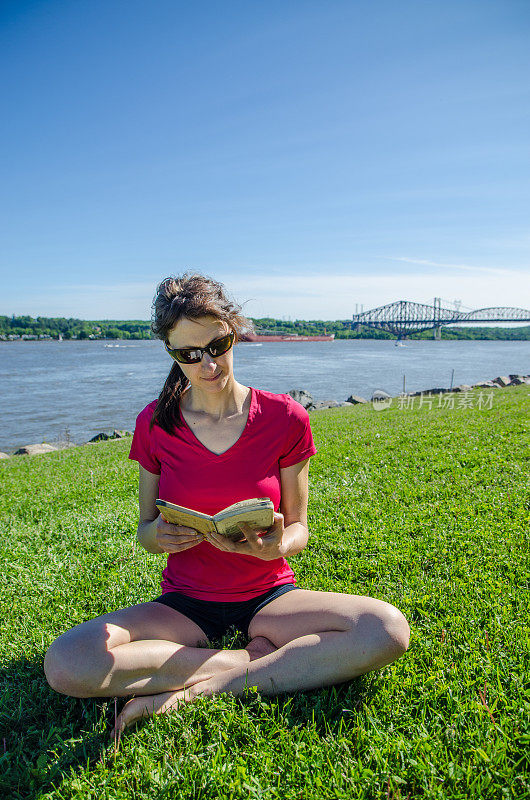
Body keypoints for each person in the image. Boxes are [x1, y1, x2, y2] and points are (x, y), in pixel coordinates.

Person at [44, 272, 410, 738]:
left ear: (233, 332)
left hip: (270, 597)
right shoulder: (155, 425)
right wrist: (161, 535)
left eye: (217, 346)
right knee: (67, 662)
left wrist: (276, 544)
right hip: (183, 605)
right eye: (189, 355)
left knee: (386, 629)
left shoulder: (285, 418)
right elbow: (145, 531)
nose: (207, 365)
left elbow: (300, 528)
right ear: (171, 353)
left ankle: (204, 688)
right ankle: (250, 662)